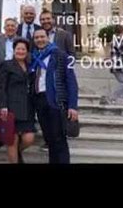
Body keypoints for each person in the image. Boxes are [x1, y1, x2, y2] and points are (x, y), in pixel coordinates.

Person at [30, 29, 79, 164]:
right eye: (37, 37)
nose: (40, 40)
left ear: (48, 38)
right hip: (40, 101)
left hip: (55, 101)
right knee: (49, 139)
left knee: (59, 139)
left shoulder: (60, 55)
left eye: (42, 37)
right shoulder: (34, 57)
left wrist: (73, 106)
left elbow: (71, 81)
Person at [38, 9, 75, 150]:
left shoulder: (64, 35)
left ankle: (60, 139)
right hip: (42, 82)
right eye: (42, 19)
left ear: (53, 19)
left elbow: (71, 53)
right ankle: (49, 141)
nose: (45, 21)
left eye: (48, 19)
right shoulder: (38, 36)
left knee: (58, 115)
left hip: (58, 81)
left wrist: (68, 71)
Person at [0, 38, 36, 164]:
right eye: (18, 49)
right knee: (12, 142)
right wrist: (3, 106)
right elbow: (2, 87)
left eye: (23, 49)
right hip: (11, 108)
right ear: (14, 50)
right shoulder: (6, 64)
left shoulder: (31, 65)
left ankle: (17, 152)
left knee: (29, 138)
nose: (20, 51)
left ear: (27, 51)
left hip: (27, 108)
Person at [0, 17, 18, 148]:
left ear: (16, 28)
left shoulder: (21, 40)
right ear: (4, 27)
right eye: (8, 26)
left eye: (13, 26)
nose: (10, 28)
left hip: (15, 79)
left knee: (12, 108)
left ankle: (13, 133)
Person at [100, 25, 123, 115]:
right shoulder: (120, 40)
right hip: (120, 65)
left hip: (119, 65)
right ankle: (110, 98)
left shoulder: (116, 40)